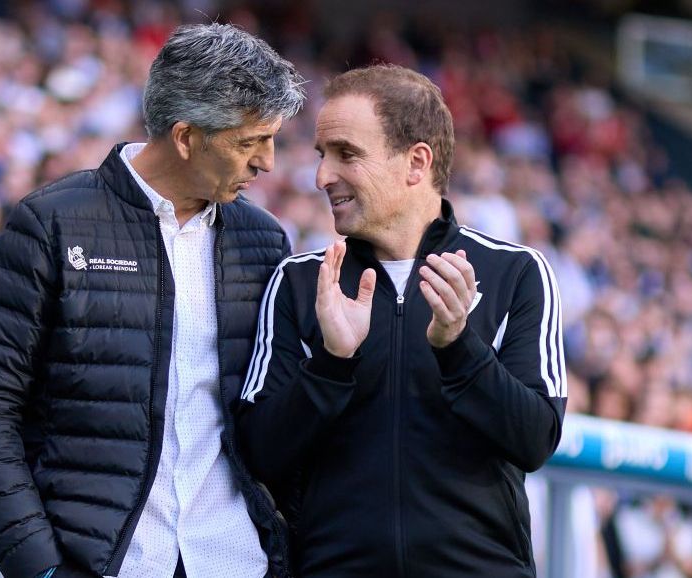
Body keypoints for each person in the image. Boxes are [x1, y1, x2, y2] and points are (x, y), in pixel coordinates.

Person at [0, 23, 304, 578]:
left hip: (238, 561)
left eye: (272, 139)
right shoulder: (51, 223)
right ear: (185, 138)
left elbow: (269, 420)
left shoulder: (264, 240)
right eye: (249, 142)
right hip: (106, 563)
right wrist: (40, 566)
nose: (268, 162)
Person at [237, 64, 567, 577]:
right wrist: (331, 364)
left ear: (416, 163)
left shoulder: (516, 273)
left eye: (346, 154)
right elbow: (259, 453)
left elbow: (535, 439)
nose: (323, 176)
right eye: (322, 154)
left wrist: (459, 348)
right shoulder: (300, 282)